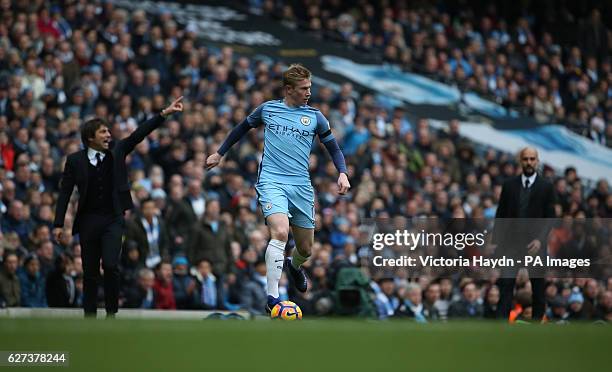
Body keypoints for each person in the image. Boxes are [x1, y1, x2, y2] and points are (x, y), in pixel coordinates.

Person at [206, 64, 350, 312]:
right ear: (288, 89)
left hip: (302, 187)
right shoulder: (268, 109)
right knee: (281, 232)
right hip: (272, 182)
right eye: (304, 88)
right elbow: (241, 128)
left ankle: (293, 266)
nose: (308, 92)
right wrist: (220, 153)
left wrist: (343, 173)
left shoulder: (315, 117)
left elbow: (334, 148)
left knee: (305, 249)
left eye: (310, 87)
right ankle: (273, 298)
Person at [52, 96, 184, 317]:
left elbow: (139, 134)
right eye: (103, 132)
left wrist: (164, 114)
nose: (109, 135)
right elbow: (65, 192)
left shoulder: (118, 150)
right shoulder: (75, 161)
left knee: (112, 266)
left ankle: (112, 315)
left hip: (113, 218)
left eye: (108, 131)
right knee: (90, 272)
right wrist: (58, 224)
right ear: (90, 137)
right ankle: (90, 316)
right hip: (87, 220)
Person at [493, 147, 556, 322]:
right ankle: (500, 326)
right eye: (526, 159)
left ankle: (537, 324)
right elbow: (501, 213)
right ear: (520, 161)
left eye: (532, 159)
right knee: (506, 285)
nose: (529, 162)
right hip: (511, 244)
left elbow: (550, 218)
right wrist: (496, 242)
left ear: (537, 161)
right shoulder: (509, 185)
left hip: (535, 245)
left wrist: (540, 240)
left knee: (537, 287)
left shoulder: (546, 187)